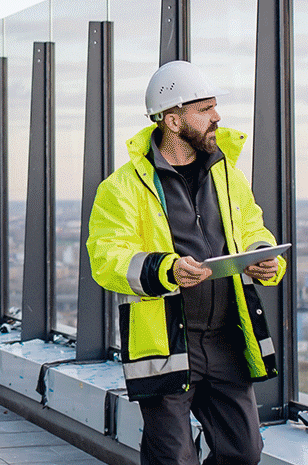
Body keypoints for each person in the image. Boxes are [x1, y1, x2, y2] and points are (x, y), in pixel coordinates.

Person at [86, 60, 285, 465]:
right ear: (173, 121)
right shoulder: (121, 187)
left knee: (243, 452)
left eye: (215, 107)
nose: (217, 117)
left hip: (227, 339)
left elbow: (252, 226)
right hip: (168, 342)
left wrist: (265, 257)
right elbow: (107, 258)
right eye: (205, 109)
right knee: (172, 459)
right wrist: (166, 270)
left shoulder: (227, 174)